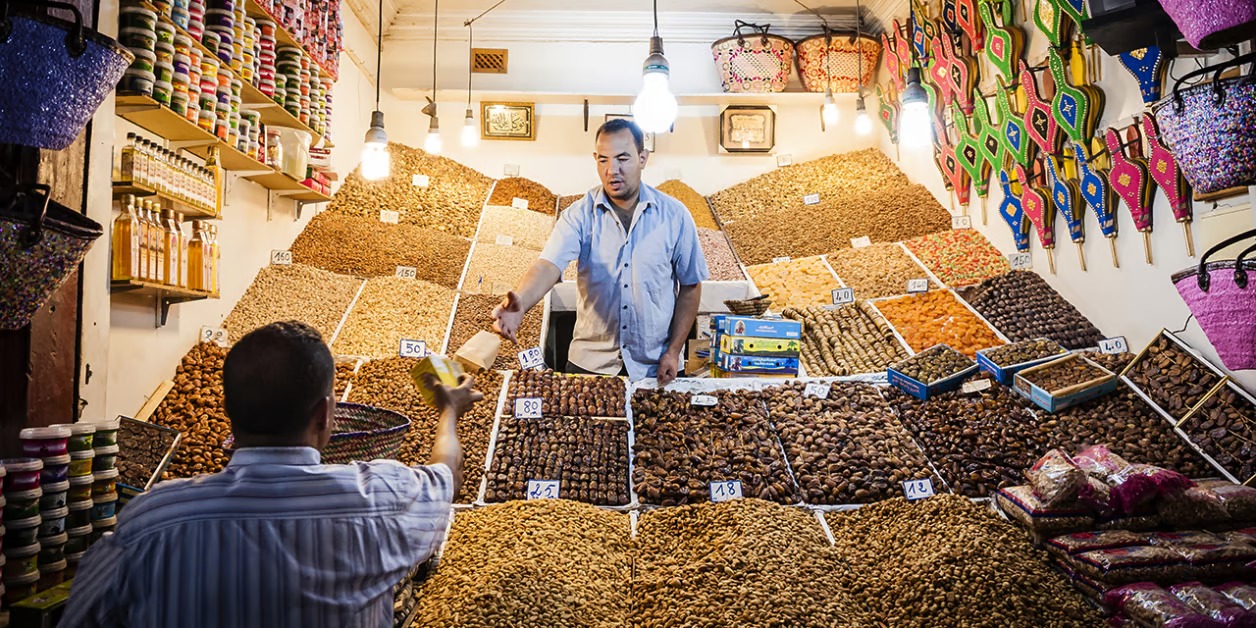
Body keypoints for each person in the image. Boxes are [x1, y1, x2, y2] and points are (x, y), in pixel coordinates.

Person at [62, 321, 484, 628]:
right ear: (325, 415)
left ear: (228, 413)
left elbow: (80, 618)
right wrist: (449, 411)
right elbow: (448, 475)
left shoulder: (149, 520)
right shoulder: (383, 497)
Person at [492, 118, 709, 385]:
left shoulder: (675, 215)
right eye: (603, 160)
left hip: (653, 367)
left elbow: (690, 285)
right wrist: (521, 303)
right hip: (589, 366)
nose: (611, 170)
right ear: (595, 158)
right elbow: (548, 265)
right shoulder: (579, 215)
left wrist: (674, 351)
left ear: (643, 158)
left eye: (622, 158)